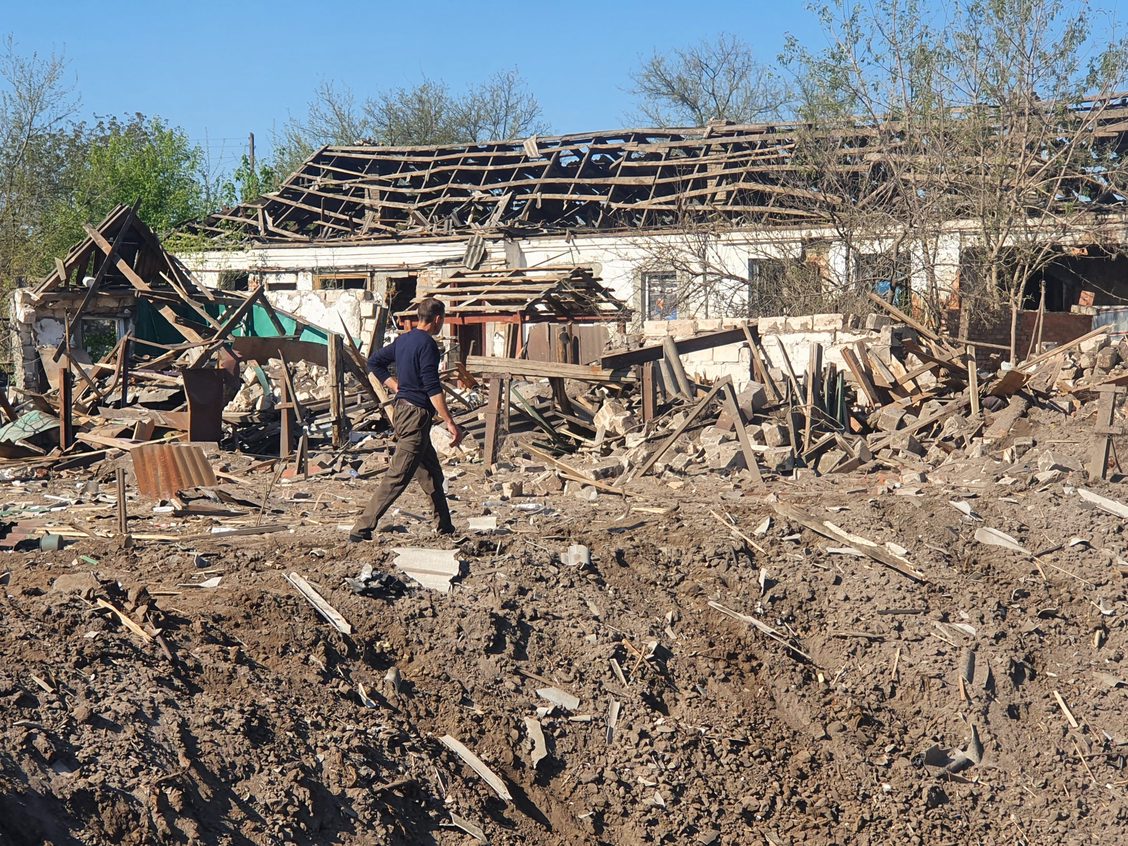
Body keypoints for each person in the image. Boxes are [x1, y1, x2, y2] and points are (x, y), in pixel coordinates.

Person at [350, 298, 463, 541]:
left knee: (432, 474)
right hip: (416, 415)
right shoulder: (428, 345)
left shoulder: (404, 340)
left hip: (402, 410)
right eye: (442, 320)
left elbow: (374, 362)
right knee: (398, 475)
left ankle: (445, 527)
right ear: (437, 319)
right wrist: (450, 422)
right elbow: (433, 388)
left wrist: (394, 386)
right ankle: (362, 528)